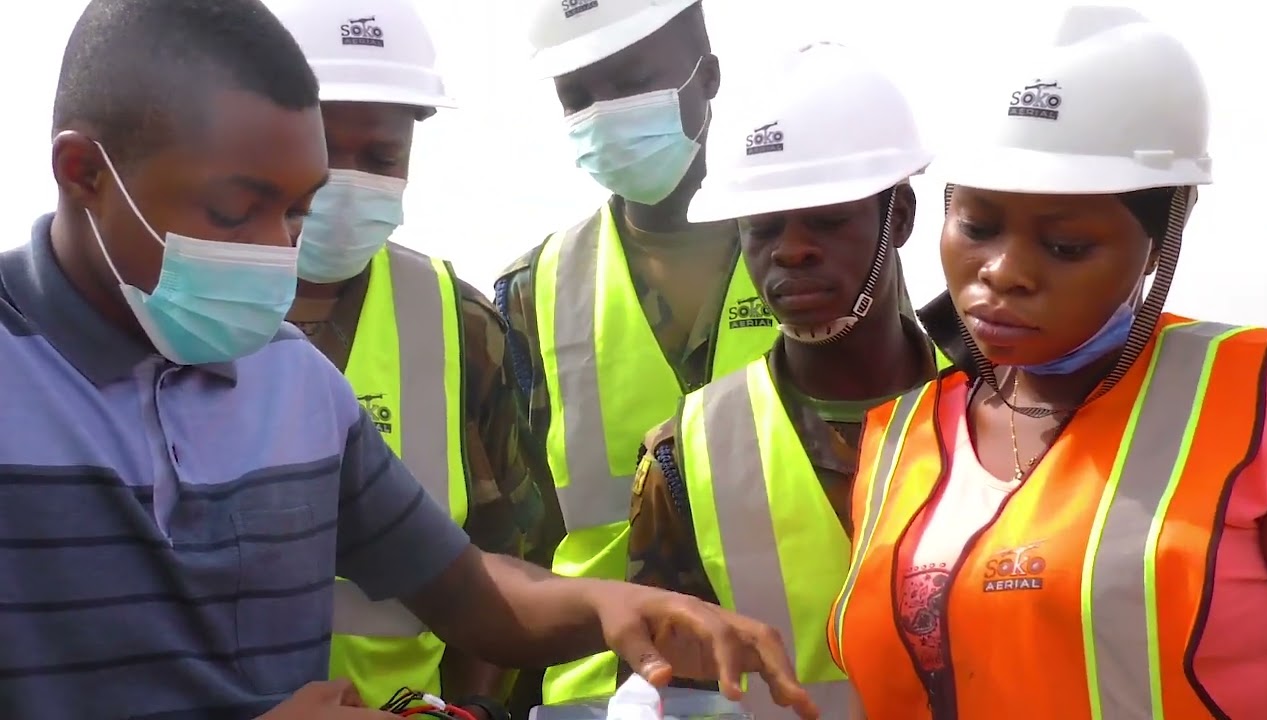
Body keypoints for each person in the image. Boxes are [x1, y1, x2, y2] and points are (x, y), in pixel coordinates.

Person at [0, 0, 828, 717]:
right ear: (84, 172)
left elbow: (469, 591)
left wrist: (619, 605)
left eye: (294, 211)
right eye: (234, 209)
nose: (276, 255)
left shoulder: (294, 383)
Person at [826, 6, 1267, 719]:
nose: (1002, 272)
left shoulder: (1260, 397)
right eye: (976, 226)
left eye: (1066, 246)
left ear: (1163, 238)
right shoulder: (899, 436)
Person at [627, 42, 940, 720]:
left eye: (828, 221)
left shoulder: (1007, 417)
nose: (792, 249)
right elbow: (677, 693)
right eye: (763, 228)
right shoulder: (686, 456)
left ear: (902, 218)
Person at [493, 0, 777, 709]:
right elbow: (523, 543)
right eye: (578, 98)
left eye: (628, 84)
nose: (604, 113)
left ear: (706, 78)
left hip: (784, 682)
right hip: (597, 693)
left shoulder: (817, 256)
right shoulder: (535, 290)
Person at [263, 1, 543, 715]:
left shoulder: (460, 323)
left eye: (381, 158)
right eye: (327, 151)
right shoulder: (191, 309)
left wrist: (472, 709)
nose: (349, 180)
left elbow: (506, 550)